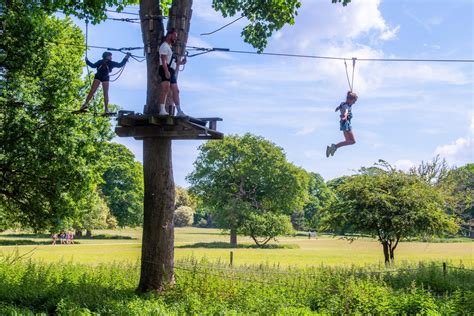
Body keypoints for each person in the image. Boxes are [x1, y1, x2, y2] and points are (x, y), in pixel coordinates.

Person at [158, 29, 187, 116]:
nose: (175, 38)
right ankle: (162, 110)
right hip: (165, 68)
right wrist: (166, 71)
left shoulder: (170, 48)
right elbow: (163, 60)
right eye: (174, 36)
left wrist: (182, 62)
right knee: (165, 89)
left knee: (176, 90)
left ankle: (179, 111)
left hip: (171, 70)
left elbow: (174, 61)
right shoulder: (164, 46)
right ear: (170, 35)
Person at [326, 91, 358, 157]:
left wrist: (338, 108)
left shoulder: (343, 104)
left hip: (343, 123)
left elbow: (339, 107)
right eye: (354, 101)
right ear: (350, 100)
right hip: (346, 123)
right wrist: (345, 116)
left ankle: (332, 148)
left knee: (348, 140)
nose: (354, 103)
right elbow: (346, 111)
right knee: (352, 141)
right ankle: (334, 147)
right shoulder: (346, 106)